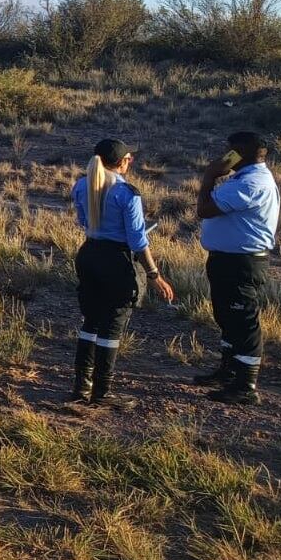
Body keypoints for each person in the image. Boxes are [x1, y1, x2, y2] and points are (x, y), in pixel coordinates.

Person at [69, 139, 175, 408]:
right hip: (117, 261)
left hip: (90, 254)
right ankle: (103, 393)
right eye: (129, 158)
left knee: (90, 321)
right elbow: (138, 241)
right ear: (122, 161)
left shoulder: (82, 185)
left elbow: (83, 221)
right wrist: (154, 274)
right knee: (112, 325)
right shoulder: (127, 193)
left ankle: (82, 385)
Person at [193, 131, 280, 405]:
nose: (225, 155)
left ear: (240, 152)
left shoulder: (251, 183)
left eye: (230, 150)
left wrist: (209, 176)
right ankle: (230, 372)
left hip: (241, 262)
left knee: (243, 320)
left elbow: (205, 209)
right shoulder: (244, 179)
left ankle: (245, 385)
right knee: (227, 316)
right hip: (229, 259)